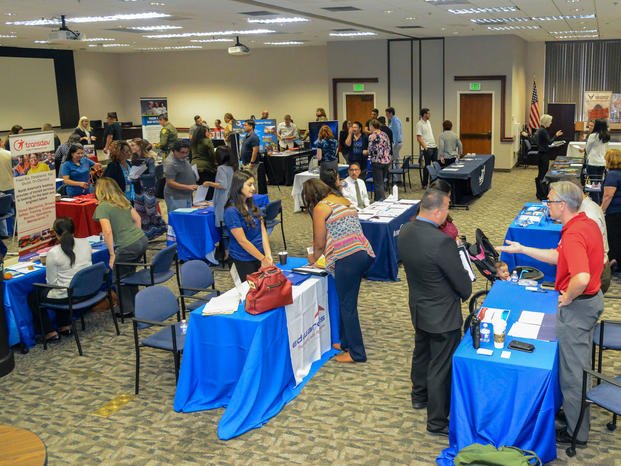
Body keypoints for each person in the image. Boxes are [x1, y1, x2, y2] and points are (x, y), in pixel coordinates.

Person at [497, 181, 603, 447]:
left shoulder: (575, 234)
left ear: (563, 205)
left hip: (579, 307)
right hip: (589, 302)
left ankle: (576, 432)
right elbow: (559, 258)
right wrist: (521, 249)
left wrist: (567, 296)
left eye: (551, 200)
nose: (547, 204)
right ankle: (572, 413)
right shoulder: (584, 223)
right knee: (573, 365)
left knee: (573, 372)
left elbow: (580, 276)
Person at [398, 188, 472, 436]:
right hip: (443, 315)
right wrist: (465, 291)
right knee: (441, 366)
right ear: (438, 211)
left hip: (419, 308)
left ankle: (419, 396)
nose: (448, 213)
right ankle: (437, 421)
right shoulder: (442, 242)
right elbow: (462, 284)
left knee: (421, 353)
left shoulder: (405, 231)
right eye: (448, 208)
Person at [302, 178, 375, 363]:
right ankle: (345, 343)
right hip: (362, 252)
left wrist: (313, 259)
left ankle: (357, 353)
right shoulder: (343, 201)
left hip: (347, 258)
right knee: (347, 302)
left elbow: (319, 242)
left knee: (347, 306)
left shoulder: (321, 207)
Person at [27, 218, 92, 344]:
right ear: (74, 230)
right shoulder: (86, 243)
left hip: (69, 294)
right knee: (61, 288)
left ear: (56, 234)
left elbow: (51, 283)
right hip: (86, 289)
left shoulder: (53, 253)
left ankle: (49, 332)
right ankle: (65, 325)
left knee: (34, 296)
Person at [94, 177, 148, 318]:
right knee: (129, 273)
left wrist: (112, 254)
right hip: (141, 239)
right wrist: (134, 236)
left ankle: (126, 309)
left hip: (127, 246)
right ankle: (137, 303)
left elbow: (107, 231)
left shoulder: (103, 207)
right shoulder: (123, 201)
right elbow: (138, 219)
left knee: (118, 278)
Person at [223, 170, 273, 280]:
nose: (253, 188)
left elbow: (262, 229)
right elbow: (242, 241)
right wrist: (263, 259)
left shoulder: (251, 202)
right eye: (249, 185)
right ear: (238, 186)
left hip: (260, 255)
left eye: (253, 184)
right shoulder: (231, 211)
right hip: (243, 259)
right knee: (250, 293)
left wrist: (267, 254)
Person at [128, 138, 166, 239]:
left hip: (148, 188)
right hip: (137, 188)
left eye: (133, 145)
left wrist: (139, 176)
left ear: (140, 146)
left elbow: (153, 175)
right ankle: (145, 233)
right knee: (140, 210)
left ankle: (156, 230)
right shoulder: (133, 159)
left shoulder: (149, 159)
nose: (131, 147)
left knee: (150, 211)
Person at [206, 145, 239, 228]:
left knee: (221, 220)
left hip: (222, 198)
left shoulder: (221, 168)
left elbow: (222, 185)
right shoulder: (233, 167)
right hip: (231, 196)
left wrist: (209, 183)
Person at [535, 114, 563, 199]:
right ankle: (542, 194)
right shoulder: (543, 131)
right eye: (550, 121)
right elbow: (550, 142)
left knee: (541, 174)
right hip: (543, 155)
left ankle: (539, 193)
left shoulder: (540, 129)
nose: (551, 123)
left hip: (541, 154)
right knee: (543, 174)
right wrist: (556, 135)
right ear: (546, 122)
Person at [164, 140, 196, 212]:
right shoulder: (171, 163)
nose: (185, 155)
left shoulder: (181, 158)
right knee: (178, 220)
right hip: (176, 197)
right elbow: (170, 182)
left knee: (186, 218)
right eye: (182, 152)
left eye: (187, 152)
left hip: (186, 195)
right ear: (175, 151)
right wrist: (188, 187)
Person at [602, 149, 621, 273]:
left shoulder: (613, 175)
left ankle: (614, 262)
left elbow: (608, 195)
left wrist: (601, 210)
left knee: (613, 238)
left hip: (615, 212)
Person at [368, 120, 392, 202]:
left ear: (372, 126)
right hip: (386, 161)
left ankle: (382, 201)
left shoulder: (372, 136)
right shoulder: (384, 134)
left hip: (377, 161)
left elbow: (370, 150)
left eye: (369, 126)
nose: (369, 128)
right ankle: (377, 200)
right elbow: (389, 146)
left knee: (378, 184)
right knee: (382, 182)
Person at [190, 125, 217, 196]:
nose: (209, 133)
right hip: (206, 168)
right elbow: (212, 155)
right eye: (208, 132)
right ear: (204, 133)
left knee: (200, 188)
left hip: (194, 167)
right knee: (209, 190)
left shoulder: (193, 141)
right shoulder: (207, 141)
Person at [417, 108, 438, 188]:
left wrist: (434, 145)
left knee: (436, 165)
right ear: (424, 114)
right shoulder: (419, 124)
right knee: (427, 166)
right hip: (427, 148)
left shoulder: (428, 122)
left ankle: (433, 183)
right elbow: (419, 138)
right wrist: (426, 148)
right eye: (428, 113)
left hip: (434, 146)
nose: (430, 115)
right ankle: (424, 184)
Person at [584, 118, 609, 183]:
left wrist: (588, 155)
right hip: (602, 162)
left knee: (593, 182)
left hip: (593, 161)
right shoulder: (606, 136)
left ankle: (594, 193)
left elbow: (587, 149)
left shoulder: (593, 136)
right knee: (599, 180)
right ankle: (598, 193)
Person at [0, 146, 15, 238]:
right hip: (10, 184)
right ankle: (15, 231)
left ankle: (4, 233)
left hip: (0, 187)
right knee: (13, 209)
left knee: (1, 212)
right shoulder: (9, 154)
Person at [386, 107, 403, 180]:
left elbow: (396, 133)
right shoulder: (395, 120)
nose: (386, 115)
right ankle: (397, 178)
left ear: (390, 113)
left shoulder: (394, 121)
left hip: (396, 143)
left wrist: (394, 144)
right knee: (396, 160)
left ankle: (392, 178)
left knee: (391, 160)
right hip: (397, 143)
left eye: (387, 113)